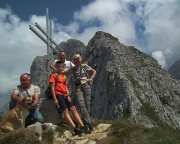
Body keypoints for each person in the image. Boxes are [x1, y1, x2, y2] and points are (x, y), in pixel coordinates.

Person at [49, 61, 90, 135]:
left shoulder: (64, 77)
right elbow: (52, 88)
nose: (59, 68)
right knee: (66, 111)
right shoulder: (54, 76)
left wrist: (68, 96)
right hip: (58, 95)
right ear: (56, 67)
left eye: (61, 67)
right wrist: (55, 99)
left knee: (73, 109)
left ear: (63, 67)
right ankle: (75, 128)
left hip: (65, 95)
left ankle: (83, 126)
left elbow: (66, 87)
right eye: (58, 67)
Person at [63, 54, 96, 131]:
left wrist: (91, 78)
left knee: (87, 104)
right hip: (77, 87)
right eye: (75, 59)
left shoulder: (84, 66)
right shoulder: (73, 69)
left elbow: (94, 71)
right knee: (81, 105)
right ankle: (89, 122)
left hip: (86, 85)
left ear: (80, 59)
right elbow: (64, 72)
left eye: (77, 59)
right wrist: (54, 68)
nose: (76, 60)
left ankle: (87, 123)